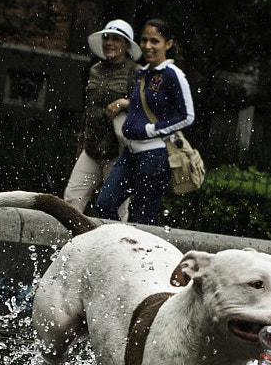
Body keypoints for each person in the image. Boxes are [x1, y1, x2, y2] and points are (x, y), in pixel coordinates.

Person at [96, 18, 194, 224]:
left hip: (155, 156)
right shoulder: (142, 73)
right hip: (130, 153)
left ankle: (138, 253)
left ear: (168, 44)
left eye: (155, 41)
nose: (148, 46)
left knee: (142, 218)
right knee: (104, 203)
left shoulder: (173, 75)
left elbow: (187, 116)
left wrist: (152, 130)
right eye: (144, 40)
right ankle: (123, 246)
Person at [64, 18, 137, 219]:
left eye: (116, 39)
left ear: (127, 45)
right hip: (93, 147)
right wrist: (82, 140)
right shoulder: (94, 70)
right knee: (72, 199)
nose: (110, 43)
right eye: (106, 38)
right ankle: (72, 245)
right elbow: (88, 110)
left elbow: (147, 106)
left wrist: (124, 102)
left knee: (116, 207)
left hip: (119, 151)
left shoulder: (136, 72)